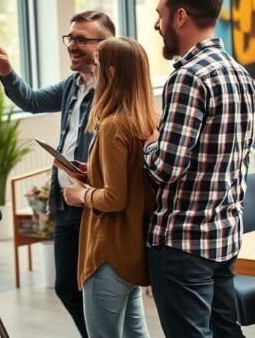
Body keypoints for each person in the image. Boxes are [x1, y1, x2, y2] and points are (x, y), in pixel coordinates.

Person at [0, 10, 116, 338]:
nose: (72, 45)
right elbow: (32, 101)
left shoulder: (115, 89)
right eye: (71, 38)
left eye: (82, 39)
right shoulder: (73, 84)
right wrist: (7, 71)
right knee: (67, 287)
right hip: (66, 202)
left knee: (103, 293)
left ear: (106, 45)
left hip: (97, 205)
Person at [144, 0, 255, 338]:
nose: (156, 24)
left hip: (183, 241)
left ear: (180, 17)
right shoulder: (241, 74)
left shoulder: (188, 77)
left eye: (160, 14)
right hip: (223, 234)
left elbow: (166, 167)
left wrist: (150, 142)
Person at [62, 38, 157, 338]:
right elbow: (132, 180)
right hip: (133, 249)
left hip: (108, 252)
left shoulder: (113, 125)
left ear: (112, 74)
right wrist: (93, 172)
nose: (93, 72)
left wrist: (80, 194)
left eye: (97, 67)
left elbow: (115, 198)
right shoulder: (147, 121)